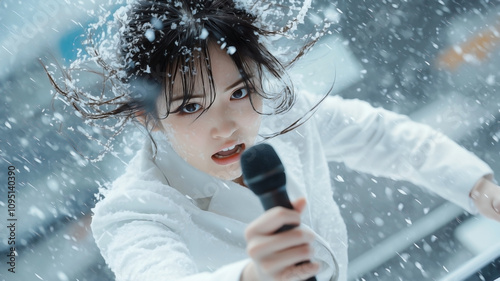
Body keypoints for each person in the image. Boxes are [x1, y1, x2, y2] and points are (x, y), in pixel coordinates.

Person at [46, 0, 500, 280]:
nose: (225, 127)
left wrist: (479, 187)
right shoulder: (132, 212)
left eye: (239, 92)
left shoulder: (284, 112)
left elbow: (382, 135)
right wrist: (252, 275)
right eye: (189, 107)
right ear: (149, 117)